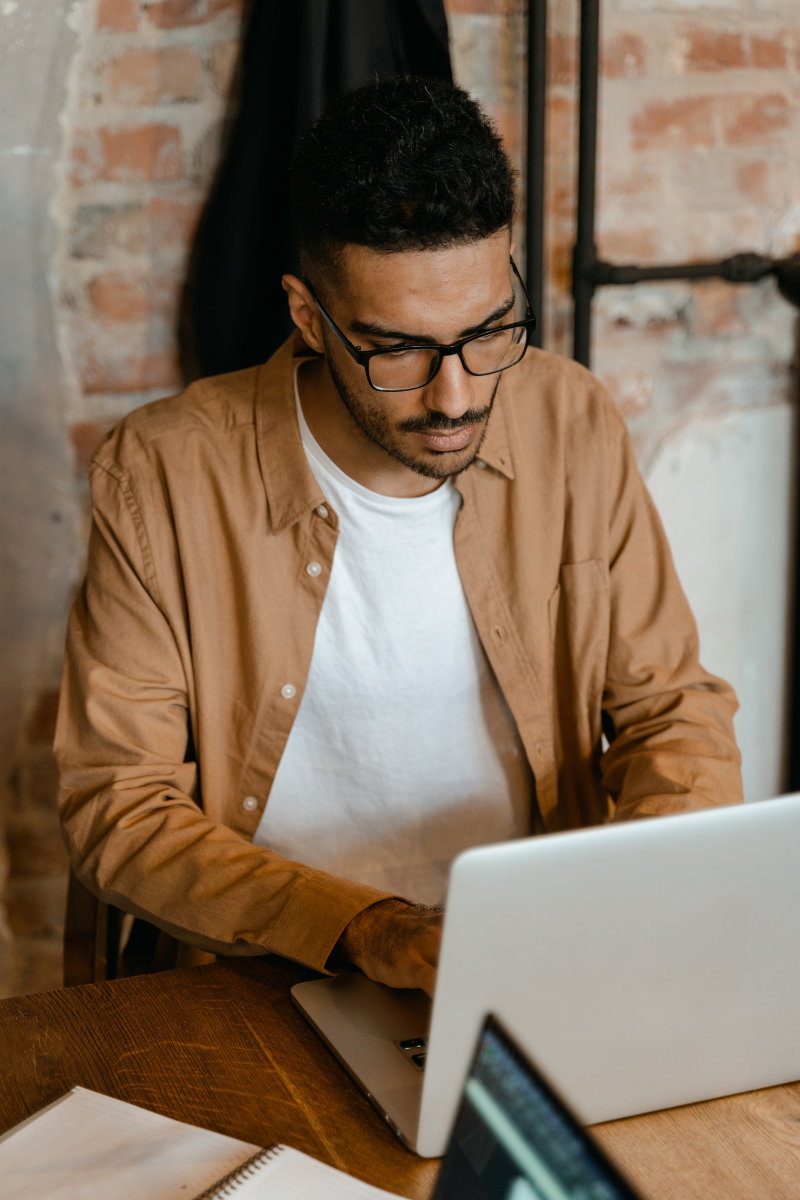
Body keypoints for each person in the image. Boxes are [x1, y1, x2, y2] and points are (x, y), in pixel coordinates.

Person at [55, 77, 743, 999]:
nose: (455, 396)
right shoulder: (162, 474)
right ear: (309, 317)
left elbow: (675, 713)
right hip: (265, 972)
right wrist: (370, 929)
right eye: (398, 351)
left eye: (488, 331)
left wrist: (629, 899)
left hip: (532, 957)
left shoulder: (569, 418)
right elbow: (118, 809)